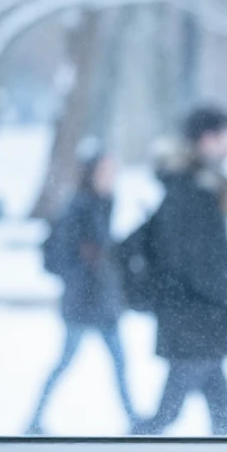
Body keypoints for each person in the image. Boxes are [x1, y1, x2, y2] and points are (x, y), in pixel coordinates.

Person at [131, 106, 227, 436]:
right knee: (170, 414)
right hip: (195, 321)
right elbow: (212, 267)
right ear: (206, 139)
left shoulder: (191, 186)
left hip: (194, 321)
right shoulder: (193, 192)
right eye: (225, 137)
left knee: (221, 404)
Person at [27, 145, 136, 435]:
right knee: (66, 362)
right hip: (82, 302)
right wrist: (86, 267)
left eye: (114, 170)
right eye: (106, 170)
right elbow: (65, 256)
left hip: (102, 302)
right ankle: (33, 420)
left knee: (119, 362)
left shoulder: (105, 203)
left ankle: (134, 419)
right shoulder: (78, 206)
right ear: (92, 174)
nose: (111, 176)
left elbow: (106, 252)